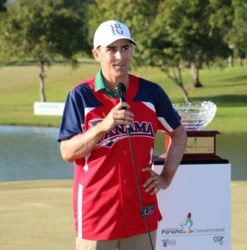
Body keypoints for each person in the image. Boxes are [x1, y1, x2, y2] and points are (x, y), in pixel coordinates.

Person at [57, 20, 187, 250]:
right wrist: (102, 127)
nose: (120, 56)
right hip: (96, 219)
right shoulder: (80, 96)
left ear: (132, 51)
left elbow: (179, 134)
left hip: (141, 215)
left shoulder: (151, 92)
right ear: (97, 54)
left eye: (125, 48)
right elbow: (67, 152)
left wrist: (165, 176)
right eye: (111, 49)